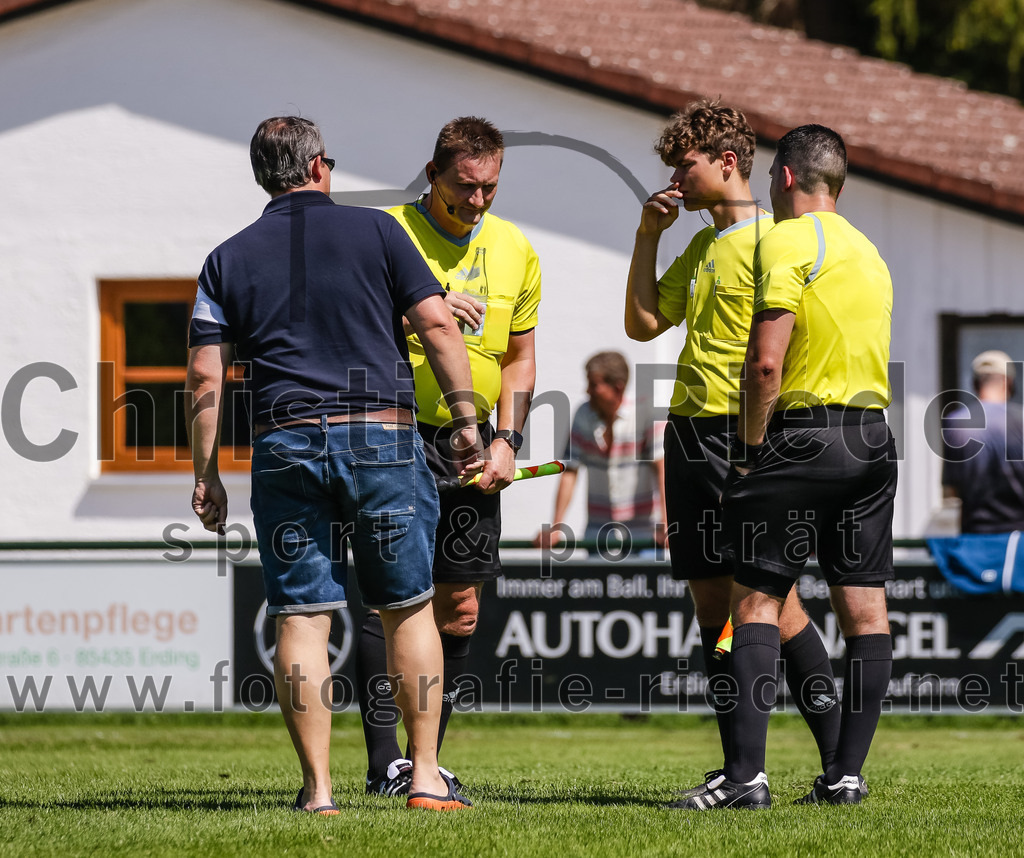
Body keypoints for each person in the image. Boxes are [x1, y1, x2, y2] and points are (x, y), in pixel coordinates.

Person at [185, 116, 482, 813]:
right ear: (319, 165)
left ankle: (319, 791)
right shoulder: (381, 232)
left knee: (302, 617)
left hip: (285, 444)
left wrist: (205, 474)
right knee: (407, 609)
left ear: (265, 175)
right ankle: (426, 779)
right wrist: (467, 419)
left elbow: (204, 375)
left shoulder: (226, 258)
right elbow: (437, 324)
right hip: (379, 438)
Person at [624, 100, 842, 803]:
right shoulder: (700, 245)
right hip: (687, 434)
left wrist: (765, 441)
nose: (674, 179)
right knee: (714, 613)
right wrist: (647, 234)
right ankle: (738, 769)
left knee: (774, 607)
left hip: (743, 436)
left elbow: (783, 352)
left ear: (725, 162)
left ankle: (838, 762)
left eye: (683, 165)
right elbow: (643, 324)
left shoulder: (776, 240)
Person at [680, 124, 896, 810]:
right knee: (865, 612)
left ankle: (744, 778)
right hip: (873, 439)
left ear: (785, 179)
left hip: (807, 436)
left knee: (755, 602)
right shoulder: (871, 252)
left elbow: (766, 361)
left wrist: (748, 454)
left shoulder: (788, 240)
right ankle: (845, 777)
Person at [355, 116, 541, 796]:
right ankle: (386, 763)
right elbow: (343, 325)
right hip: (394, 434)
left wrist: (508, 442)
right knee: (395, 599)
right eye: (465, 186)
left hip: (474, 445)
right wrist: (415, 314)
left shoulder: (516, 247)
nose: (478, 201)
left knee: (459, 607)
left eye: (490, 187)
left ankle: (425, 754)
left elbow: (521, 361)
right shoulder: (385, 233)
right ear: (433, 174)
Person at [532, 350, 666, 552]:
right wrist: (556, 527)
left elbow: (663, 469)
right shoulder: (583, 415)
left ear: (617, 387)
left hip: (643, 536)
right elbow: (570, 471)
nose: (587, 391)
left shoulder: (646, 413)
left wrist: (666, 523)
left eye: (594, 384)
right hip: (597, 533)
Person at [942, 350, 1024, 533]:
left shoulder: (956, 421)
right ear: (1008, 382)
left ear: (975, 383)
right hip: (1018, 537)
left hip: (975, 535)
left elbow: (952, 490)